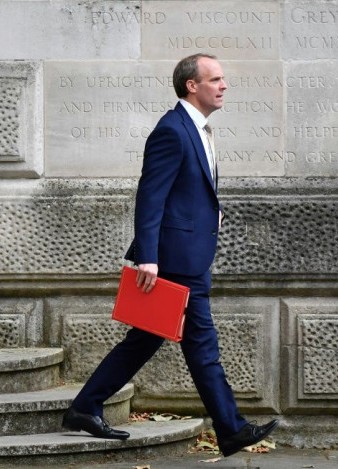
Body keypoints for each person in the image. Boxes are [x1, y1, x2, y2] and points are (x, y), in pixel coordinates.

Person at [62, 53, 278, 457]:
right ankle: (231, 428)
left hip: (189, 254)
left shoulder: (197, 129)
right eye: (215, 79)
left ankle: (85, 407)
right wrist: (148, 256)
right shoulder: (172, 130)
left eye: (223, 79)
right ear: (191, 86)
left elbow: (189, 191)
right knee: (202, 345)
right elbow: (150, 196)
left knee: (144, 339)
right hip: (175, 261)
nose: (224, 85)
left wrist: (211, 213)